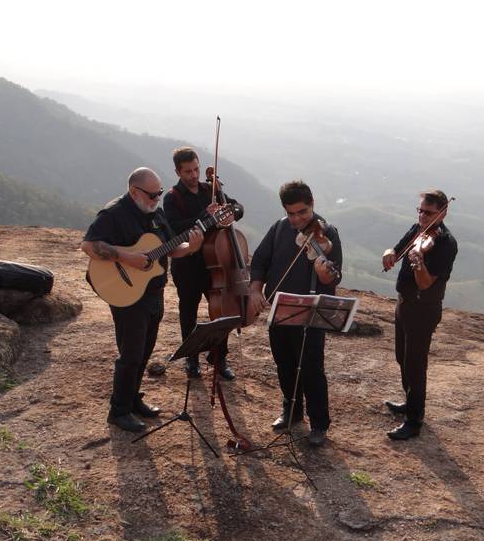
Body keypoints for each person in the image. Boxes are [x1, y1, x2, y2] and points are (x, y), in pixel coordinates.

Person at [81, 168, 203, 433]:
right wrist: (126, 258)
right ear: (135, 192)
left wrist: (191, 247)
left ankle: (133, 400)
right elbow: (89, 246)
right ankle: (119, 410)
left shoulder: (155, 213)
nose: (157, 198)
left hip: (153, 292)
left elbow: (172, 247)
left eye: (159, 193)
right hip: (126, 294)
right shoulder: (114, 213)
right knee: (131, 354)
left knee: (145, 351)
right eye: (152, 194)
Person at [248, 180, 342, 447]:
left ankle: (319, 423)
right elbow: (260, 262)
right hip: (280, 308)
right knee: (284, 363)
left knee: (312, 367)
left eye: (302, 212)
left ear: (312, 204)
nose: (297, 219)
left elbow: (332, 278)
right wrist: (256, 291)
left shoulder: (328, 233)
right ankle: (291, 411)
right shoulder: (279, 228)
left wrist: (325, 272)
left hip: (310, 313)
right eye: (291, 213)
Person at [381, 190, 458, 440]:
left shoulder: (446, 243)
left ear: (443, 213)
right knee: (402, 357)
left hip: (423, 309)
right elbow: (396, 247)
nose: (422, 216)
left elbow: (425, 283)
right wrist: (390, 253)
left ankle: (414, 420)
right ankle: (409, 400)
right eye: (420, 210)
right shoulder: (417, 229)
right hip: (404, 303)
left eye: (428, 212)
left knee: (416, 363)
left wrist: (417, 262)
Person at [162, 147, 244, 380]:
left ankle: (219, 357)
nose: (194, 174)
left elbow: (238, 207)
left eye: (196, 169)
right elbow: (175, 229)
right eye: (188, 171)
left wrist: (231, 214)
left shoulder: (211, 189)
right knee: (188, 311)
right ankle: (191, 359)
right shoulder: (172, 197)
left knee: (222, 311)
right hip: (187, 264)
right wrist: (204, 215)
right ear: (178, 172)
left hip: (215, 263)